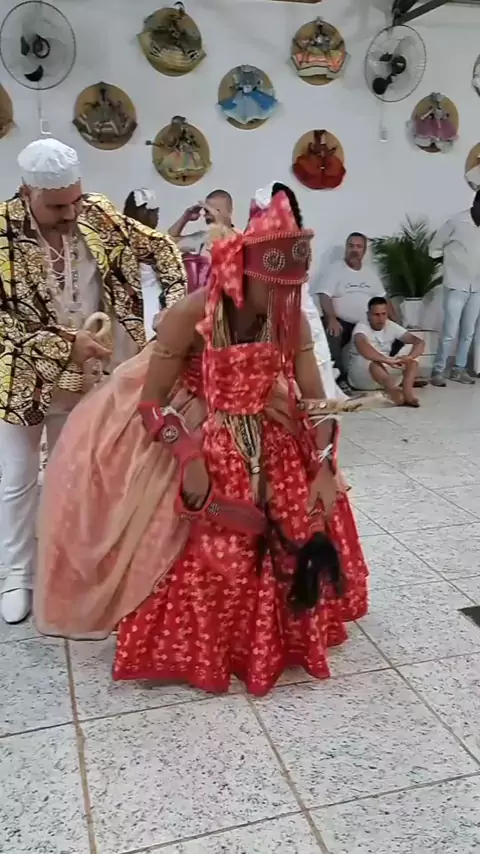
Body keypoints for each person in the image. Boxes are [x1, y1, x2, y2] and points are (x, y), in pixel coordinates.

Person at [35, 182, 369, 697]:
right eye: (275, 288)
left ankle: (278, 636)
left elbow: (316, 401)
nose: (286, 301)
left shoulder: (288, 315)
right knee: (210, 541)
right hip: (199, 422)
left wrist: (324, 464)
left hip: (269, 421)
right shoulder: (191, 314)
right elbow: (151, 403)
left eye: (292, 289)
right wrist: (188, 455)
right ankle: (206, 644)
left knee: (297, 521)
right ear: (244, 274)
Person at [0, 138, 186, 625]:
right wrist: (66, 343)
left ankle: (69, 570)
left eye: (75, 200)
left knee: (76, 477)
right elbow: (4, 322)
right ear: (26, 192)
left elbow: (163, 248)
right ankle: (17, 574)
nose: (70, 213)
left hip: (92, 378)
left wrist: (175, 309)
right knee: (18, 477)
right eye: (57, 206)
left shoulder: (97, 213)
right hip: (24, 377)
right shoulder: (1, 232)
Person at [311, 233, 392, 382]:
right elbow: (324, 296)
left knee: (398, 335)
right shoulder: (335, 269)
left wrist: (394, 322)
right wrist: (332, 319)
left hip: (367, 323)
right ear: (346, 248)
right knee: (333, 333)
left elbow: (384, 299)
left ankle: (389, 373)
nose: (354, 250)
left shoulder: (370, 273)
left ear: (364, 250)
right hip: (342, 321)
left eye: (359, 246)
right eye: (351, 246)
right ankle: (338, 380)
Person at [430, 192, 480, 387]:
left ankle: (458, 369)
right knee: (449, 331)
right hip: (455, 285)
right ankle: (438, 370)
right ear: (475, 203)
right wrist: (451, 265)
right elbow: (434, 248)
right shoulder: (456, 221)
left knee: (468, 331)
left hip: (477, 287)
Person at [348, 297, 425, 406]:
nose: (381, 318)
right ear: (368, 315)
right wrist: (388, 361)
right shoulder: (361, 327)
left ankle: (408, 394)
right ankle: (393, 391)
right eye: (376, 315)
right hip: (362, 378)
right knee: (372, 360)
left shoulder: (389, 324)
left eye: (383, 314)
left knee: (412, 351)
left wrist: (409, 358)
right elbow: (364, 348)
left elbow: (419, 342)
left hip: (386, 372)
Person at [168, 189, 237, 292]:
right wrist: (185, 217)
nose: (209, 215)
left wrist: (218, 222)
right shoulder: (202, 238)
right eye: (207, 211)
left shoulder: (240, 238)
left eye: (216, 210)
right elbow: (168, 242)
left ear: (229, 211)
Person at [123, 188, 163, 338]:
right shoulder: (122, 241)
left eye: (156, 212)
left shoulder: (157, 241)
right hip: (136, 303)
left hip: (155, 300)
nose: (155, 216)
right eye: (150, 212)